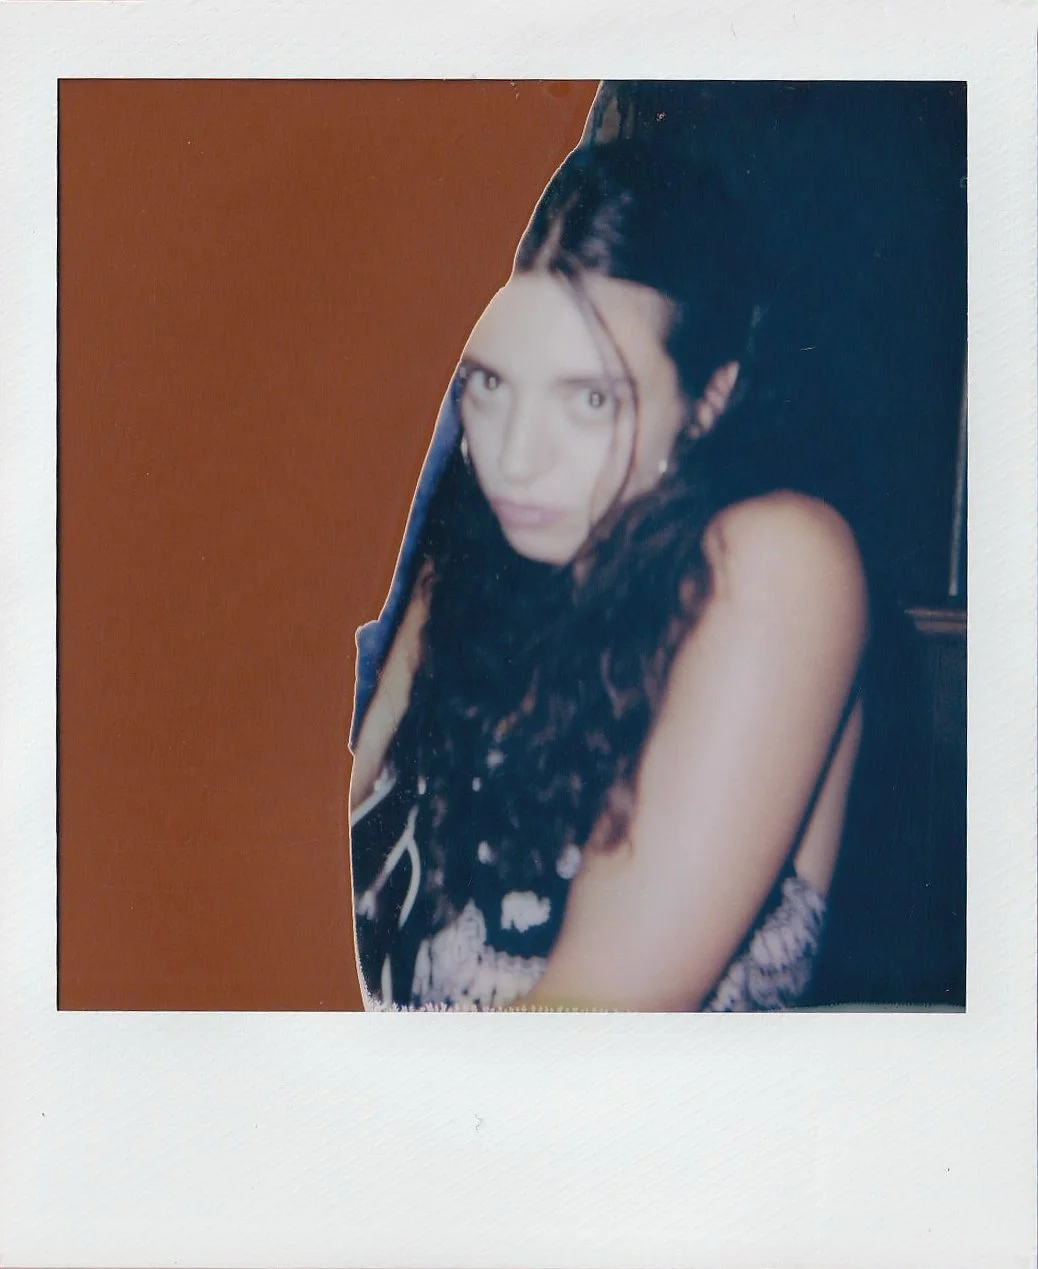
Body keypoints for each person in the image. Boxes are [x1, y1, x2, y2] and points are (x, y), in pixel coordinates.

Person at [348, 140, 868, 1011]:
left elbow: (590, 1022)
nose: (514, 458)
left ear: (707, 401)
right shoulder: (462, 565)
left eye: (591, 399)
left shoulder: (779, 562)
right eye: (488, 382)